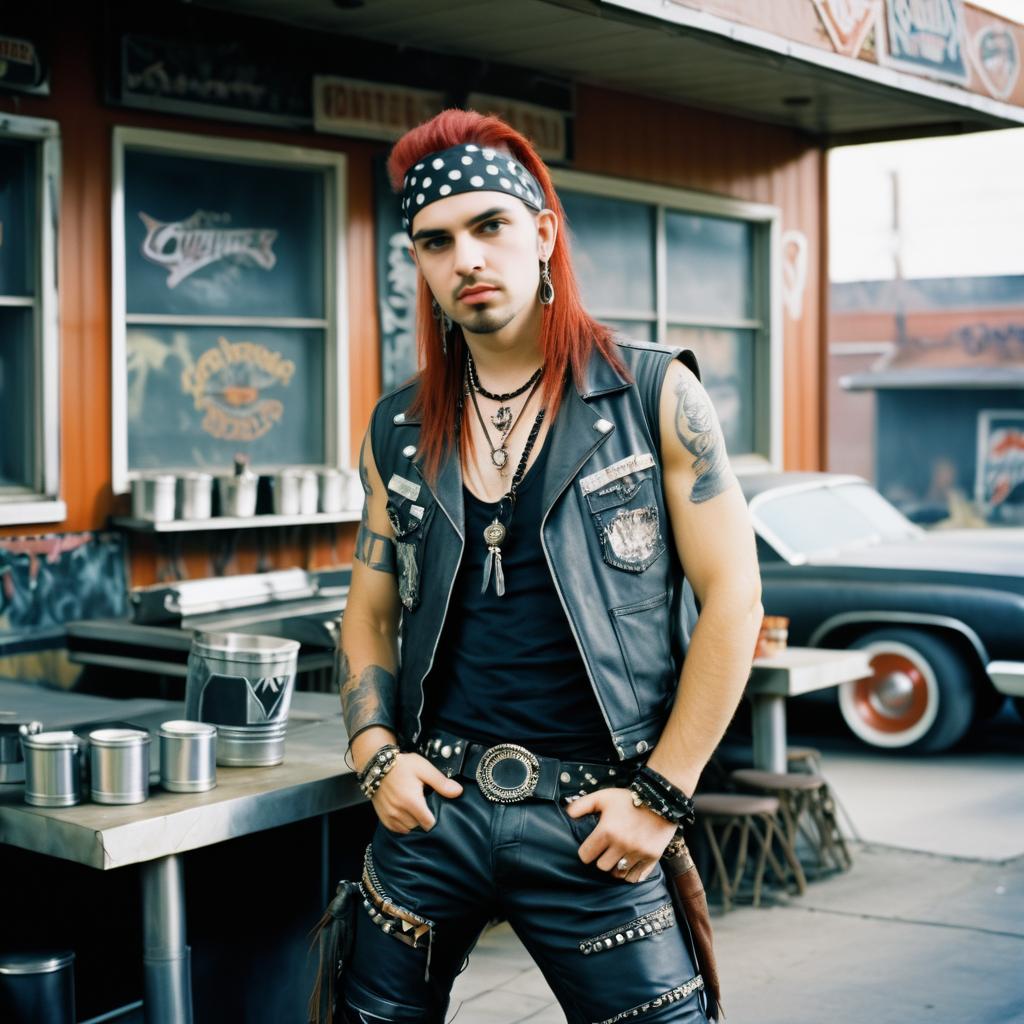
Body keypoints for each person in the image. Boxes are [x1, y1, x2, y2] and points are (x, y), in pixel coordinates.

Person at [329, 108, 763, 1024]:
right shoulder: (397, 428)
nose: (467, 259)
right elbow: (367, 611)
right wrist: (376, 757)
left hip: (596, 820)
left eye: (490, 227)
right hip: (432, 810)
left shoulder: (652, 395)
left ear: (543, 234)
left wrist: (661, 798)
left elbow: (735, 600)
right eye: (436, 241)